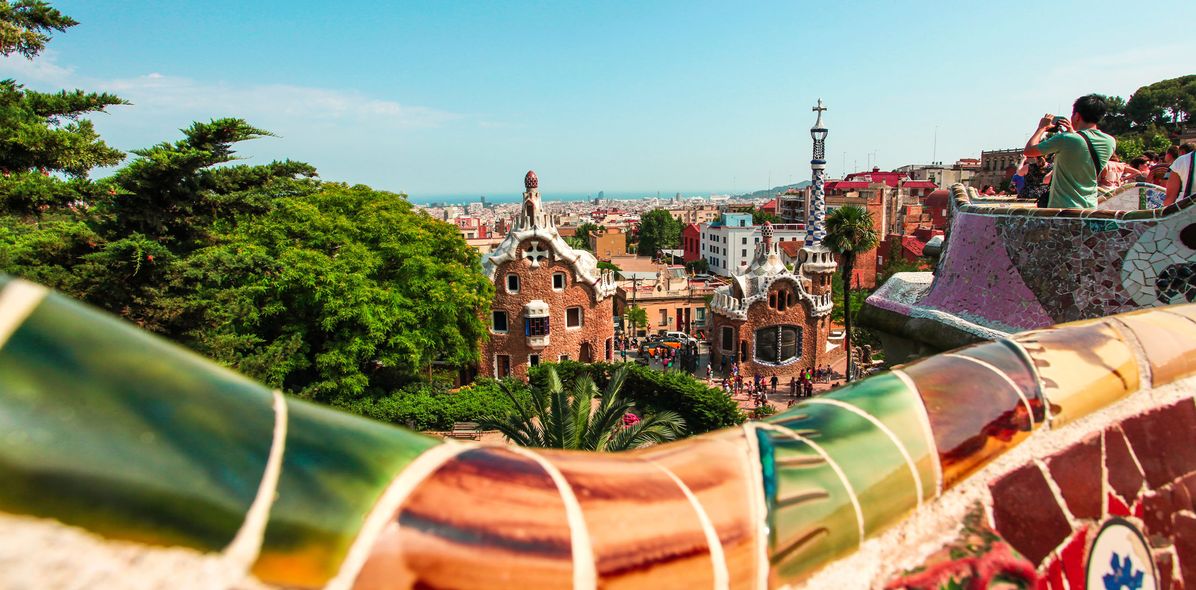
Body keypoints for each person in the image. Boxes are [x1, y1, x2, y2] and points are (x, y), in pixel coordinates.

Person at [1024, 94, 1116, 209]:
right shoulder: (1110, 141)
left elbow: (1028, 151)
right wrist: (1072, 132)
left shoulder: (1065, 138)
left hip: (1062, 208)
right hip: (1090, 207)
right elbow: (1083, 150)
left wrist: (1041, 128)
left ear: (1077, 116)